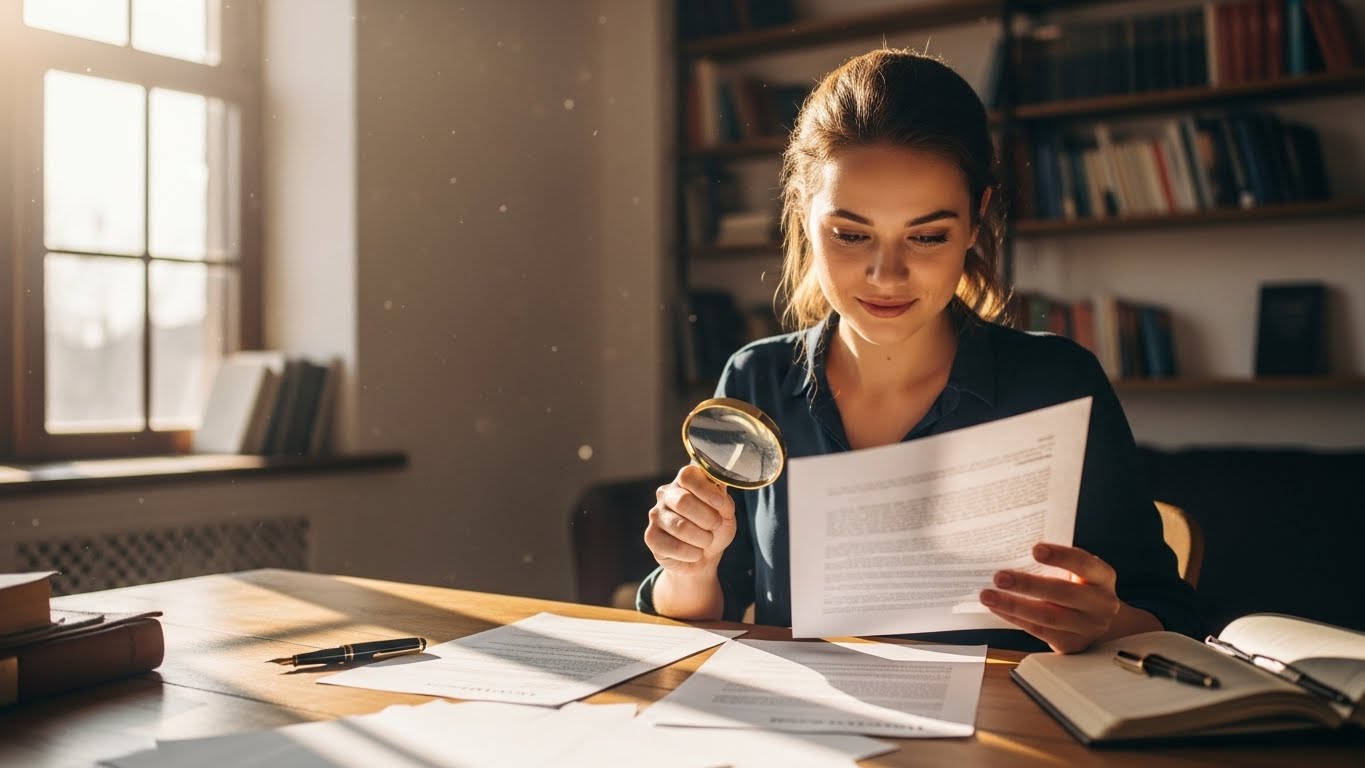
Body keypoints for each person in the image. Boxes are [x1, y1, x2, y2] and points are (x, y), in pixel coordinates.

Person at [636, 48, 1201, 653]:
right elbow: (705, 620)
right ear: (802, 212)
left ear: (976, 219)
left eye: (928, 236)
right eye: (852, 235)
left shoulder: (1057, 383)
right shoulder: (757, 379)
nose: (886, 274)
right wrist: (688, 568)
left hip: (1003, 740)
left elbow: (1172, 616)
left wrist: (1107, 622)